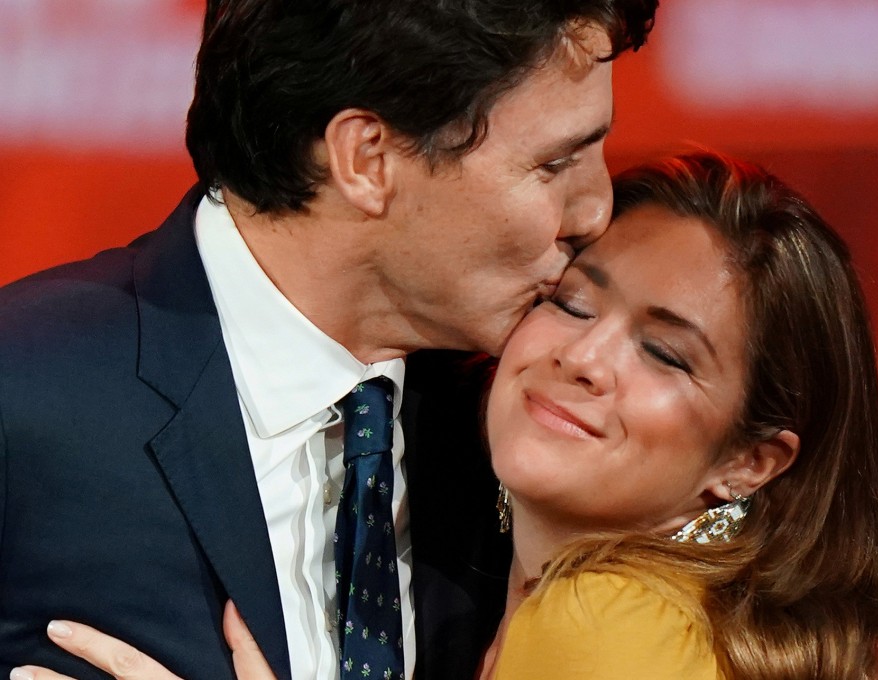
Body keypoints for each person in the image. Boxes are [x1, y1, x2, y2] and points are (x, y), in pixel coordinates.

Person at [14, 151, 878, 680]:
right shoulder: (559, 593)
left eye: (666, 354)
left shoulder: (608, 630)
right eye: (570, 302)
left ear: (752, 461)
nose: (582, 359)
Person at [0, 2, 658, 680]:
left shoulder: (531, 435)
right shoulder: (23, 395)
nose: (595, 210)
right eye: (555, 164)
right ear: (367, 159)